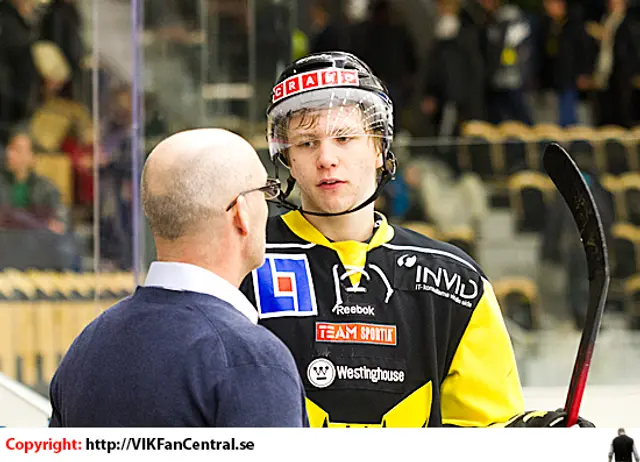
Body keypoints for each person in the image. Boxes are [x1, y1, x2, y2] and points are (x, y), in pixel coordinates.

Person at [239, 51, 594, 428]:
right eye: (307, 143)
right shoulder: (244, 259)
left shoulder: (455, 282)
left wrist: (535, 432)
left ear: (379, 148)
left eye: (344, 137)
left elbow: (488, 428)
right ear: (288, 158)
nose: (326, 158)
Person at [49, 128, 309, 427]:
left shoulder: (88, 346)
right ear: (241, 213)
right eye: (266, 192)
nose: (269, 205)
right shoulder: (251, 360)